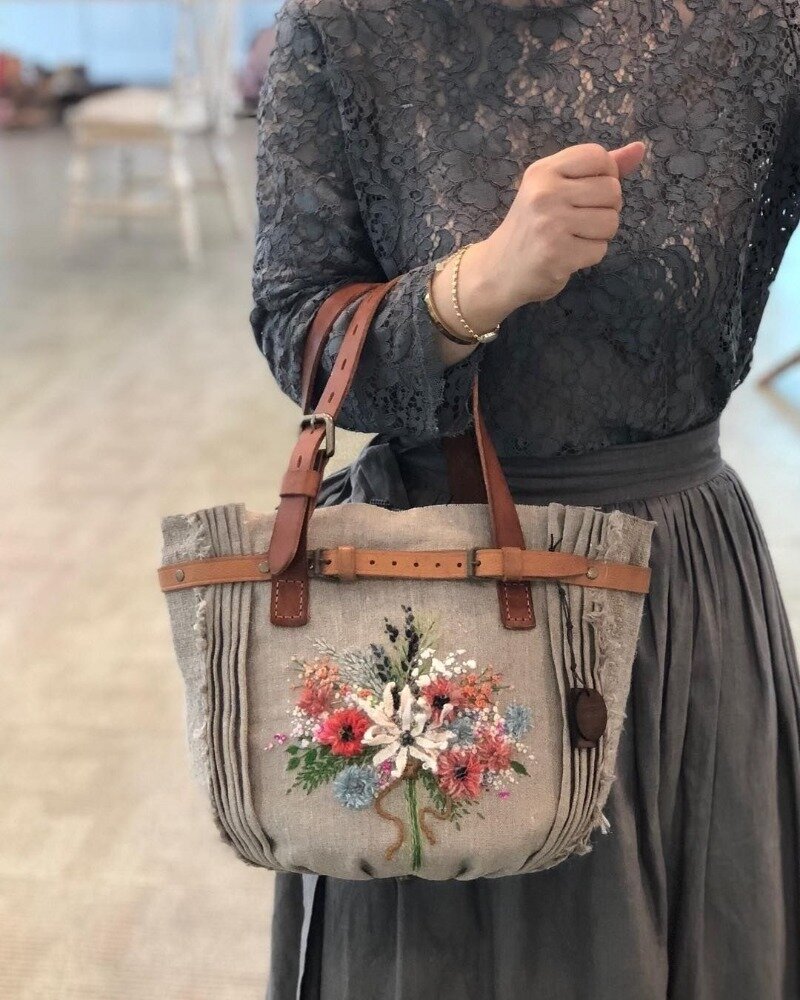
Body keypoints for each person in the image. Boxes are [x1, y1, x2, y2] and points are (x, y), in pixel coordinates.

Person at [249, 0, 800, 995]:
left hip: (673, 601)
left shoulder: (758, 24)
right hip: (428, 599)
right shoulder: (345, 23)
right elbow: (300, 329)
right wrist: (476, 285)